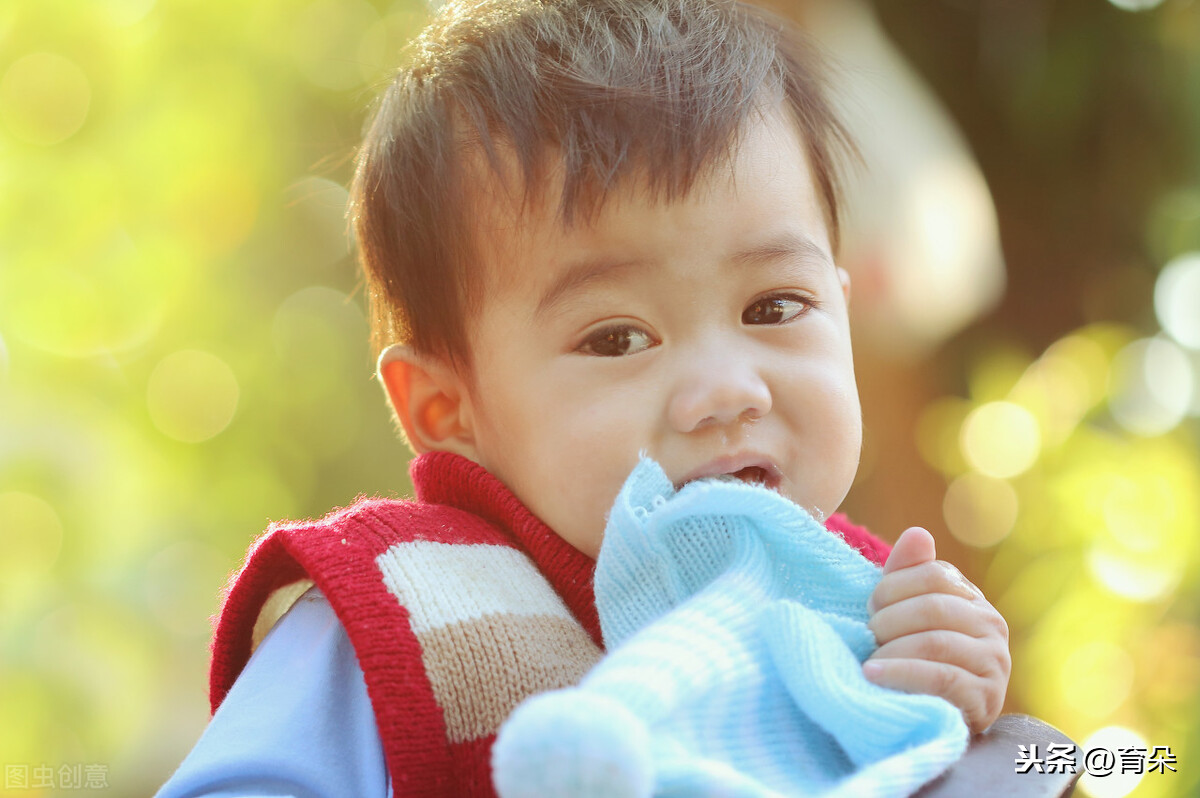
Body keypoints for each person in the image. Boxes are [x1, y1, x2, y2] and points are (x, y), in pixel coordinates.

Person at [157, 0, 1010, 795]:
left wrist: (946, 685)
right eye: (616, 338)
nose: (723, 392)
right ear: (446, 407)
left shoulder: (864, 603)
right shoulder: (399, 619)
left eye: (773, 307)